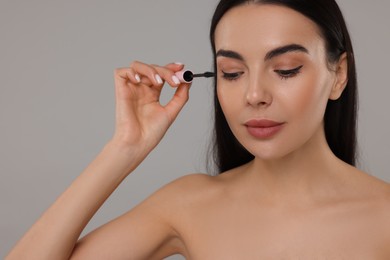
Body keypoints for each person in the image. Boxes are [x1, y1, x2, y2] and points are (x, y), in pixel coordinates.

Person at [6, 0, 390, 259]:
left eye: (286, 69)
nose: (254, 95)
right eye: (232, 73)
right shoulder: (188, 204)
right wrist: (124, 147)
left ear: (338, 74)